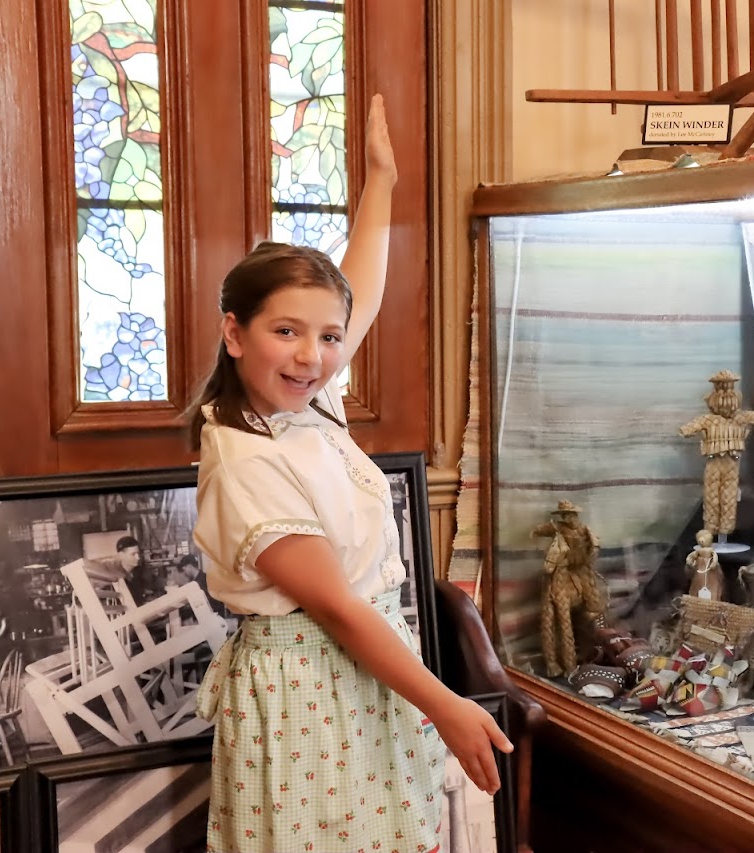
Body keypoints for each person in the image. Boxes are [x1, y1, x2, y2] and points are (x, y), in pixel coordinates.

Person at [188, 95, 511, 853]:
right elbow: (335, 608)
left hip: (366, 675)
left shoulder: (307, 403)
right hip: (308, 692)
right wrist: (448, 704)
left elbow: (354, 289)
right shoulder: (244, 455)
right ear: (234, 333)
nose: (313, 354)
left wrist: (381, 184)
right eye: (286, 331)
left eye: (328, 336)